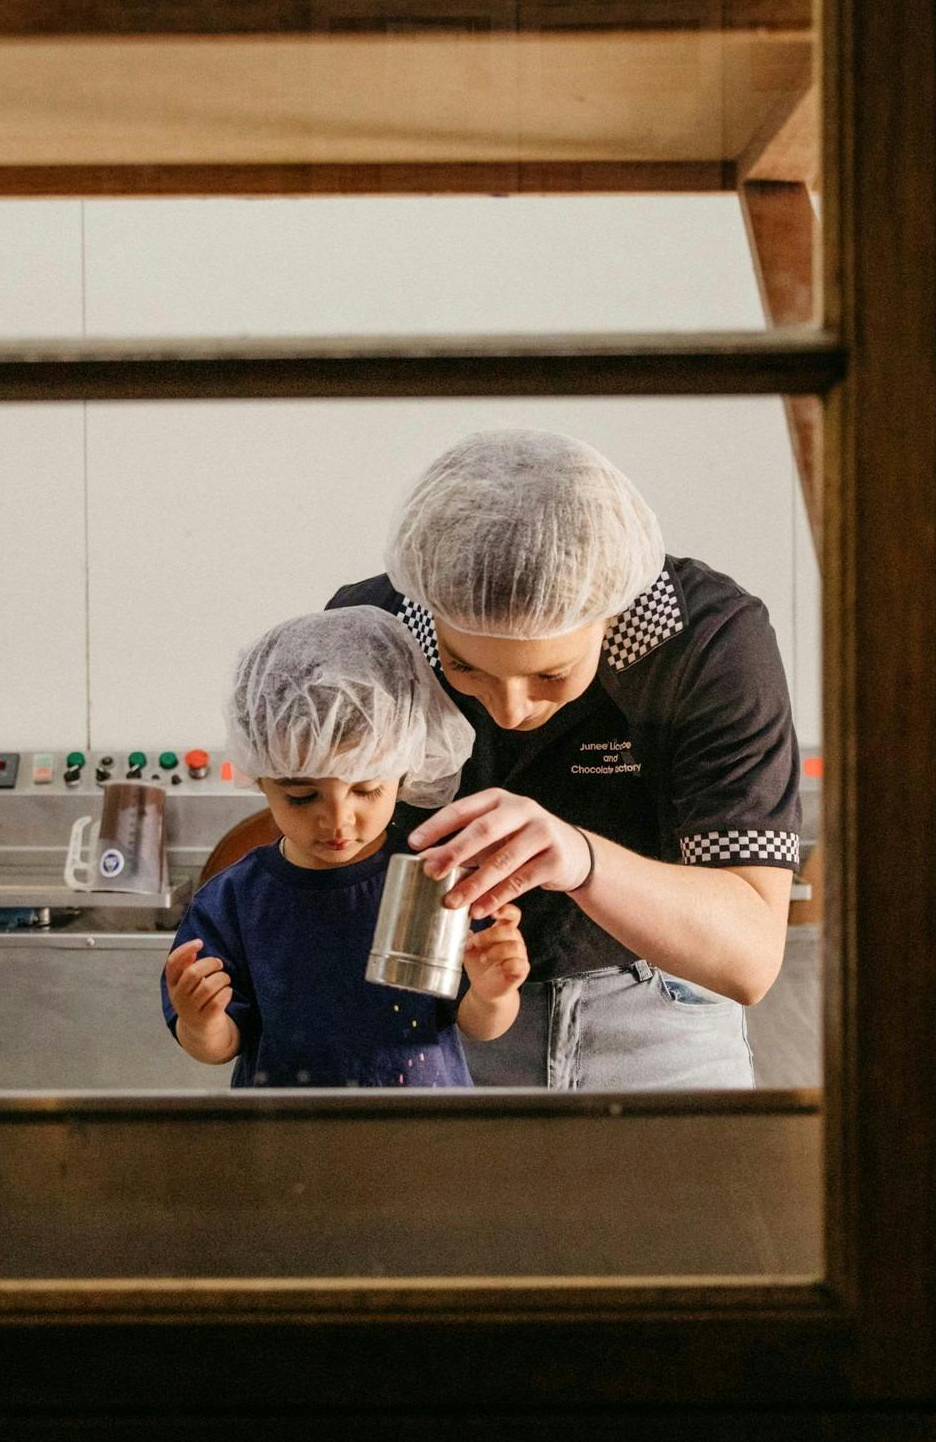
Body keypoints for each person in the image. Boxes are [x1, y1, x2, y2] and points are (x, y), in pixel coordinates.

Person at [329, 430, 801, 1089]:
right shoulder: (376, 630)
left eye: (549, 675)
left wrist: (581, 859)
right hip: (435, 1018)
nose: (508, 710)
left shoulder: (706, 645)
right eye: (464, 666)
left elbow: (748, 956)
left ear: (610, 618)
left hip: (659, 1016)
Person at [160, 607, 531, 1088]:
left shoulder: (435, 881)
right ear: (259, 777)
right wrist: (201, 1021)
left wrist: (494, 991)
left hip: (421, 1143)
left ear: (405, 773)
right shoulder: (234, 901)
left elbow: (477, 1024)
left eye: (365, 790)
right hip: (287, 1144)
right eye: (301, 796)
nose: (337, 819)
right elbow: (221, 1046)